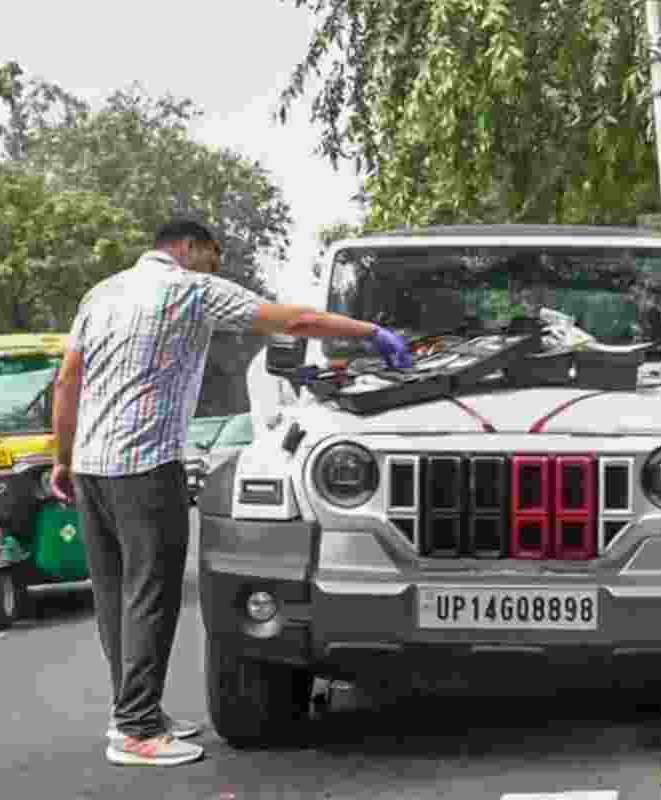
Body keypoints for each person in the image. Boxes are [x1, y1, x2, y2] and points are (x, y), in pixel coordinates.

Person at [49, 219, 413, 767]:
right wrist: (369, 333)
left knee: (114, 596)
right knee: (151, 594)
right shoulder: (190, 291)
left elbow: (67, 379)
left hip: (92, 468)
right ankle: (137, 729)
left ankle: (133, 709)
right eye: (214, 257)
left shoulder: (102, 292)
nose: (216, 268)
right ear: (190, 248)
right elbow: (295, 320)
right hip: (145, 467)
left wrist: (62, 457)